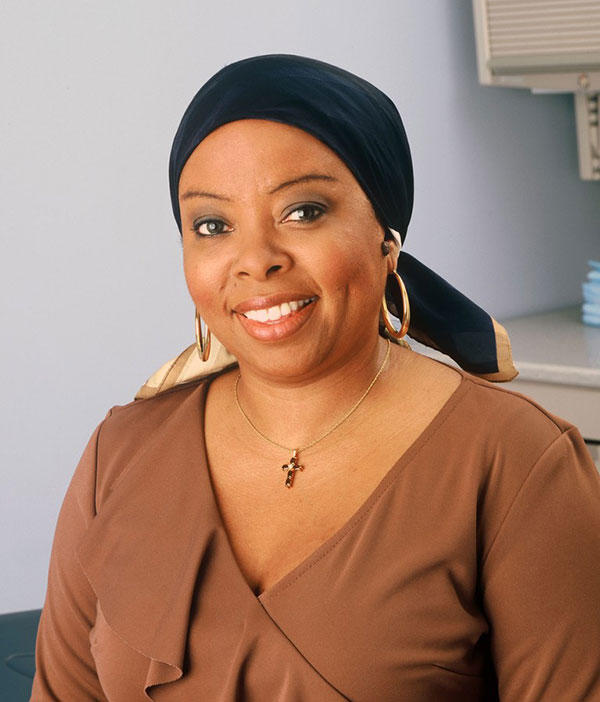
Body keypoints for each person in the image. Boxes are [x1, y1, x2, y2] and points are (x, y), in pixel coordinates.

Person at [31, 54, 600, 701]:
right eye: (213, 225)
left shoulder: (515, 464)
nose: (256, 260)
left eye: (302, 211)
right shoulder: (120, 452)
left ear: (387, 240)